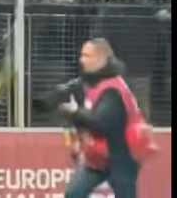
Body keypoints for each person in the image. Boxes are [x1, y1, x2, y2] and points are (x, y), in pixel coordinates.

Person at [60, 39, 144, 198]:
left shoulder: (114, 88)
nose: (81, 59)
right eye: (82, 55)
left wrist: (75, 112)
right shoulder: (91, 83)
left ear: (100, 60)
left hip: (121, 158)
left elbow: (101, 123)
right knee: (73, 194)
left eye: (87, 55)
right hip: (98, 158)